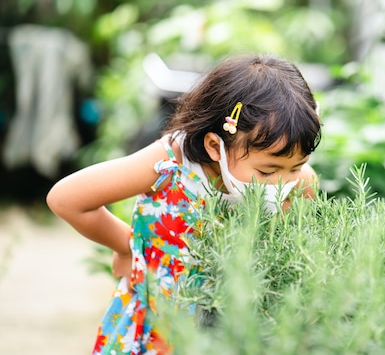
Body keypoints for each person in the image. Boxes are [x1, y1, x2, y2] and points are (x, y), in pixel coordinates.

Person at [46, 53, 322, 355]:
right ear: (215, 146)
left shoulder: (301, 184)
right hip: (159, 325)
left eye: (296, 166)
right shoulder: (171, 164)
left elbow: (283, 255)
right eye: (268, 171)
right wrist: (127, 246)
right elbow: (67, 199)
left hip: (232, 330)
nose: (284, 182)